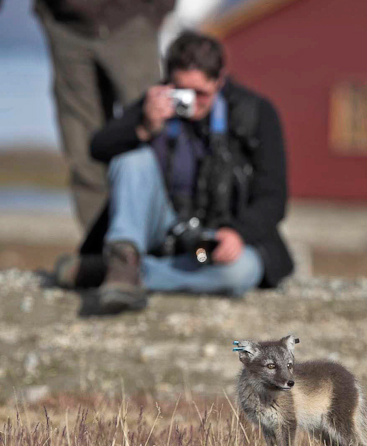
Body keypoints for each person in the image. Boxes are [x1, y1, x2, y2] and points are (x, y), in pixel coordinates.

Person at [55, 31, 294, 313]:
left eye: (201, 94)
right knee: (132, 159)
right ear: (169, 81)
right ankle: (123, 259)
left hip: (206, 249)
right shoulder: (156, 103)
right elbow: (97, 148)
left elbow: (274, 196)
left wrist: (238, 233)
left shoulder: (255, 113)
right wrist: (144, 127)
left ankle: (116, 273)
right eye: (183, 91)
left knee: (239, 273)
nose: (191, 102)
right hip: (162, 234)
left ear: (220, 80)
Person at [34, 0, 194, 230]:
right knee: (80, 142)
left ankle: (155, 240)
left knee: (154, 129)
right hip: (68, 27)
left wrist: (156, 7)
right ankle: (99, 246)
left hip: (131, 24)